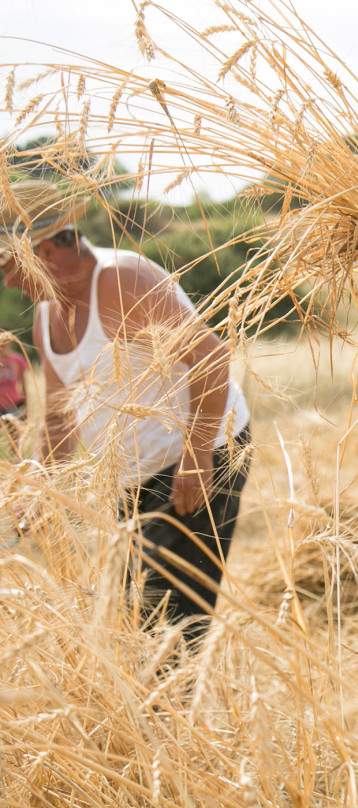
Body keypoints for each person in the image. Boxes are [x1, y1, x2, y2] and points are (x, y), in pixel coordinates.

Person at [1, 180, 251, 649]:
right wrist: (37, 487)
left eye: (10, 265)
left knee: (170, 623)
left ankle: (169, 717)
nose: (9, 281)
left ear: (48, 250)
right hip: (133, 477)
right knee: (129, 616)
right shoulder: (44, 317)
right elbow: (58, 419)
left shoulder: (122, 281)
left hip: (200, 456)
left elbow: (211, 360)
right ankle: (153, 717)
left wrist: (197, 458)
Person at [0, 338, 29, 422]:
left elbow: (24, 384)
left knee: (16, 433)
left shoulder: (17, 359)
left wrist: (26, 408)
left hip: (14, 405)